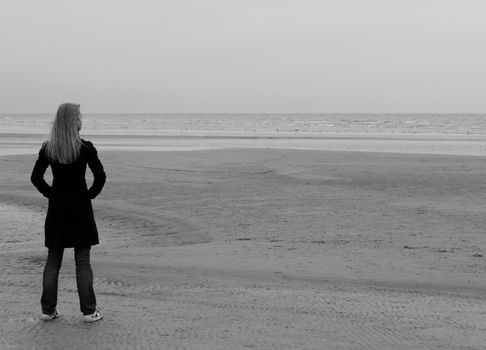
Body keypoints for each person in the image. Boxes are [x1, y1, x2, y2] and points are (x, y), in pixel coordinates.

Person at [30, 103, 106, 323]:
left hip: (58, 209)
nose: (82, 118)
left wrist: (52, 194)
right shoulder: (85, 147)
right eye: (80, 116)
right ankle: (89, 312)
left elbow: (36, 178)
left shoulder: (49, 148)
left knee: (53, 260)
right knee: (82, 261)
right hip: (80, 209)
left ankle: (48, 310)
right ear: (74, 121)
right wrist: (88, 195)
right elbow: (100, 177)